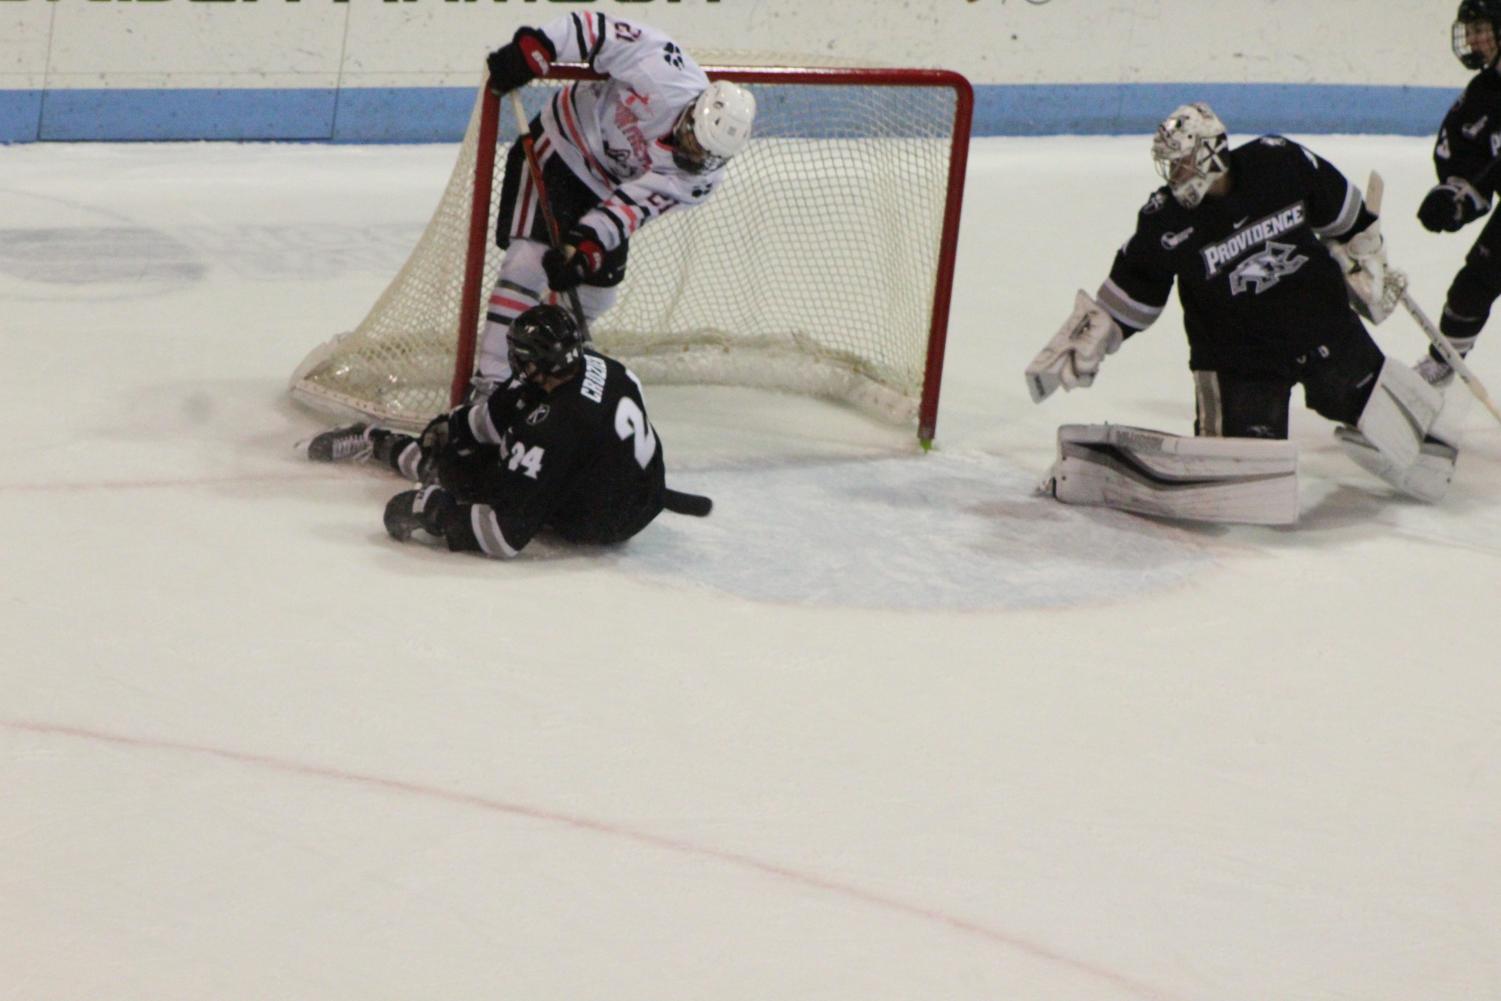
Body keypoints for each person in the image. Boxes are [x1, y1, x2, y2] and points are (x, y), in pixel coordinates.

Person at [1025, 102, 1459, 511]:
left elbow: (1349, 218)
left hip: (1322, 328)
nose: (1176, 175)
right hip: (1240, 359)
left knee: (1393, 423)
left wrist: (1367, 260)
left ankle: (1382, 415)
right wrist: (1092, 336)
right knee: (1241, 468)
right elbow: (1129, 295)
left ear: (1213, 152)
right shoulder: (1166, 219)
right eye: (1170, 166)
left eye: (1184, 163)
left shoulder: (1280, 162)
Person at [476, 12, 756, 382]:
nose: (698, 158)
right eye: (697, 143)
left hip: (608, 185)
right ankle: (490, 384)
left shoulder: (700, 179)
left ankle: (541, 371)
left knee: (595, 296)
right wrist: (538, 46)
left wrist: (586, 247)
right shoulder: (664, 71)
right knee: (528, 263)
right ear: (691, 115)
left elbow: (632, 207)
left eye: (711, 156)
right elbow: (596, 29)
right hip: (562, 143)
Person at [308, 304, 709, 558]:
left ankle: (380, 444)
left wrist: (433, 512)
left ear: (534, 364)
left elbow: (504, 535)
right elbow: (507, 408)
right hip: (641, 491)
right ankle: (399, 448)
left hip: (599, 520)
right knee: (474, 442)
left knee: (463, 470)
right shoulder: (601, 366)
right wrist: (454, 426)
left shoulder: (553, 428)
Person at [1414, 0, 1501, 386]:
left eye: (1483, 28)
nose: (1475, 39)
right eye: (1471, 30)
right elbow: (1469, 168)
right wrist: (1454, 198)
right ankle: (1441, 366)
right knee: (1473, 284)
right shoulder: (1481, 97)